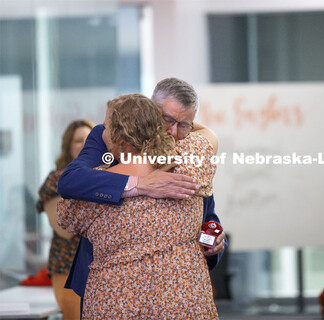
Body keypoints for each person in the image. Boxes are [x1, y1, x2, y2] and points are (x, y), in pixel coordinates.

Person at [57, 78, 226, 308]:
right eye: (167, 120)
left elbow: (207, 208)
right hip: (110, 283)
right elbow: (71, 182)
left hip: (176, 286)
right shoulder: (106, 135)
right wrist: (138, 183)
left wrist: (214, 241)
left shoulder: (192, 153)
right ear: (151, 109)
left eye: (185, 125)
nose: (174, 132)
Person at [36, 119, 93, 320]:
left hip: (99, 267)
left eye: (89, 139)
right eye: (78, 141)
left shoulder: (103, 175)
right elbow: (65, 229)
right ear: (68, 146)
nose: (85, 145)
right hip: (67, 267)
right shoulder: (56, 179)